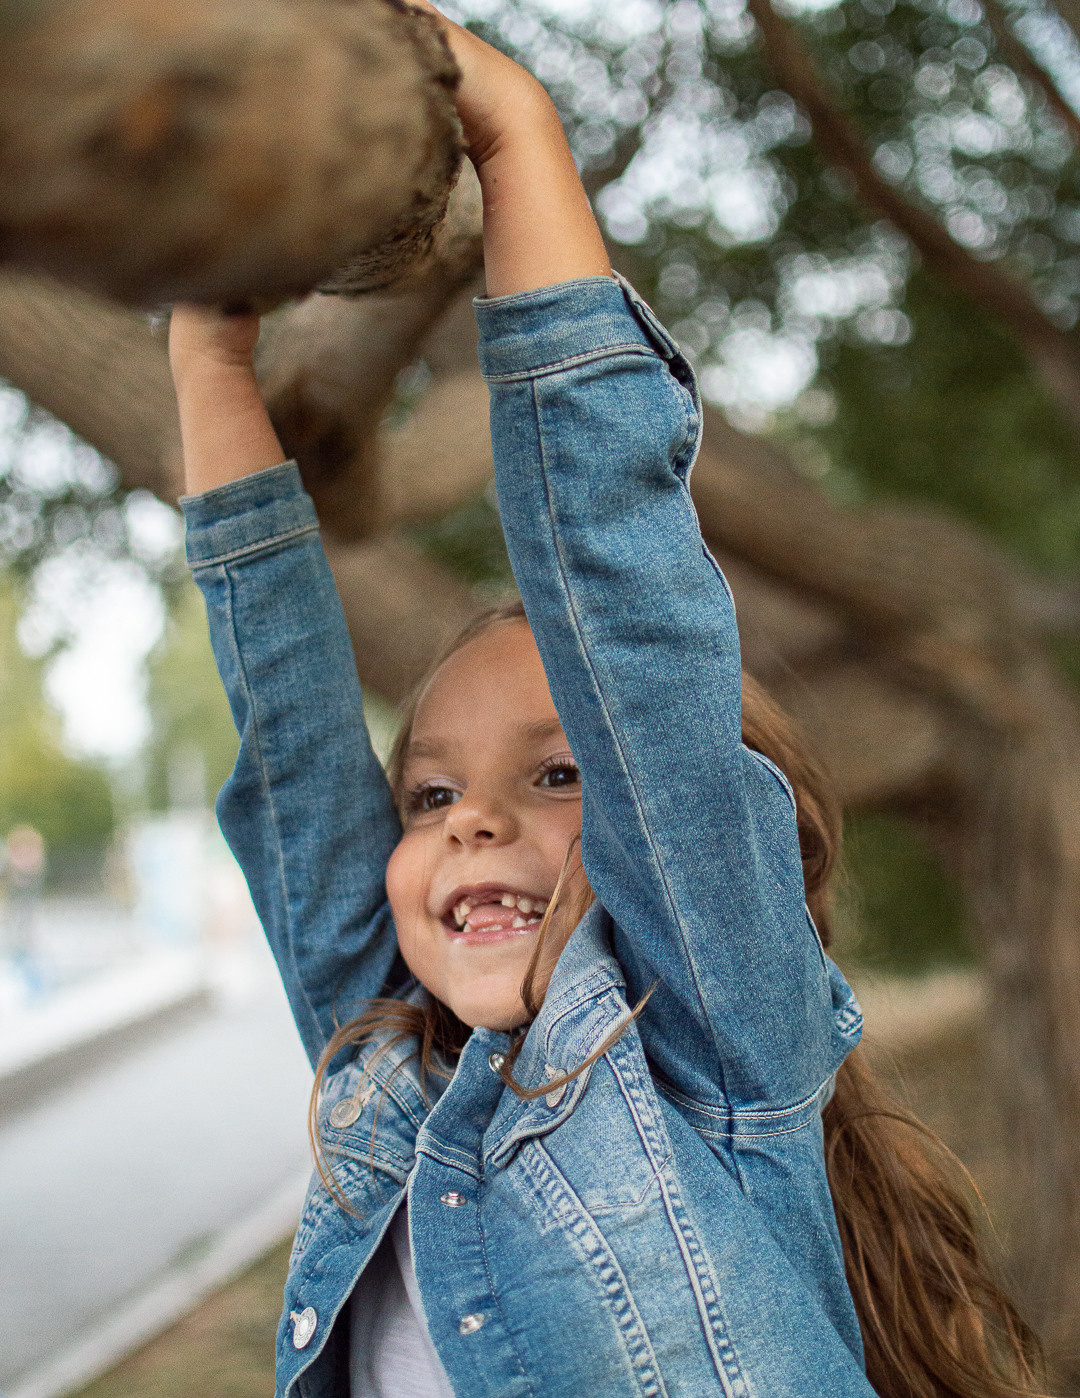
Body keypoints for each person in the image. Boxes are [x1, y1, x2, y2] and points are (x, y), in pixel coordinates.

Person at [168, 9, 1046, 1397]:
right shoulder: (381, 1070)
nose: (473, 825)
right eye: (433, 793)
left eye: (561, 775)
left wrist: (517, 142)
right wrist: (211, 365)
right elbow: (288, 727)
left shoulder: (709, 1040)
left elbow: (630, 624)